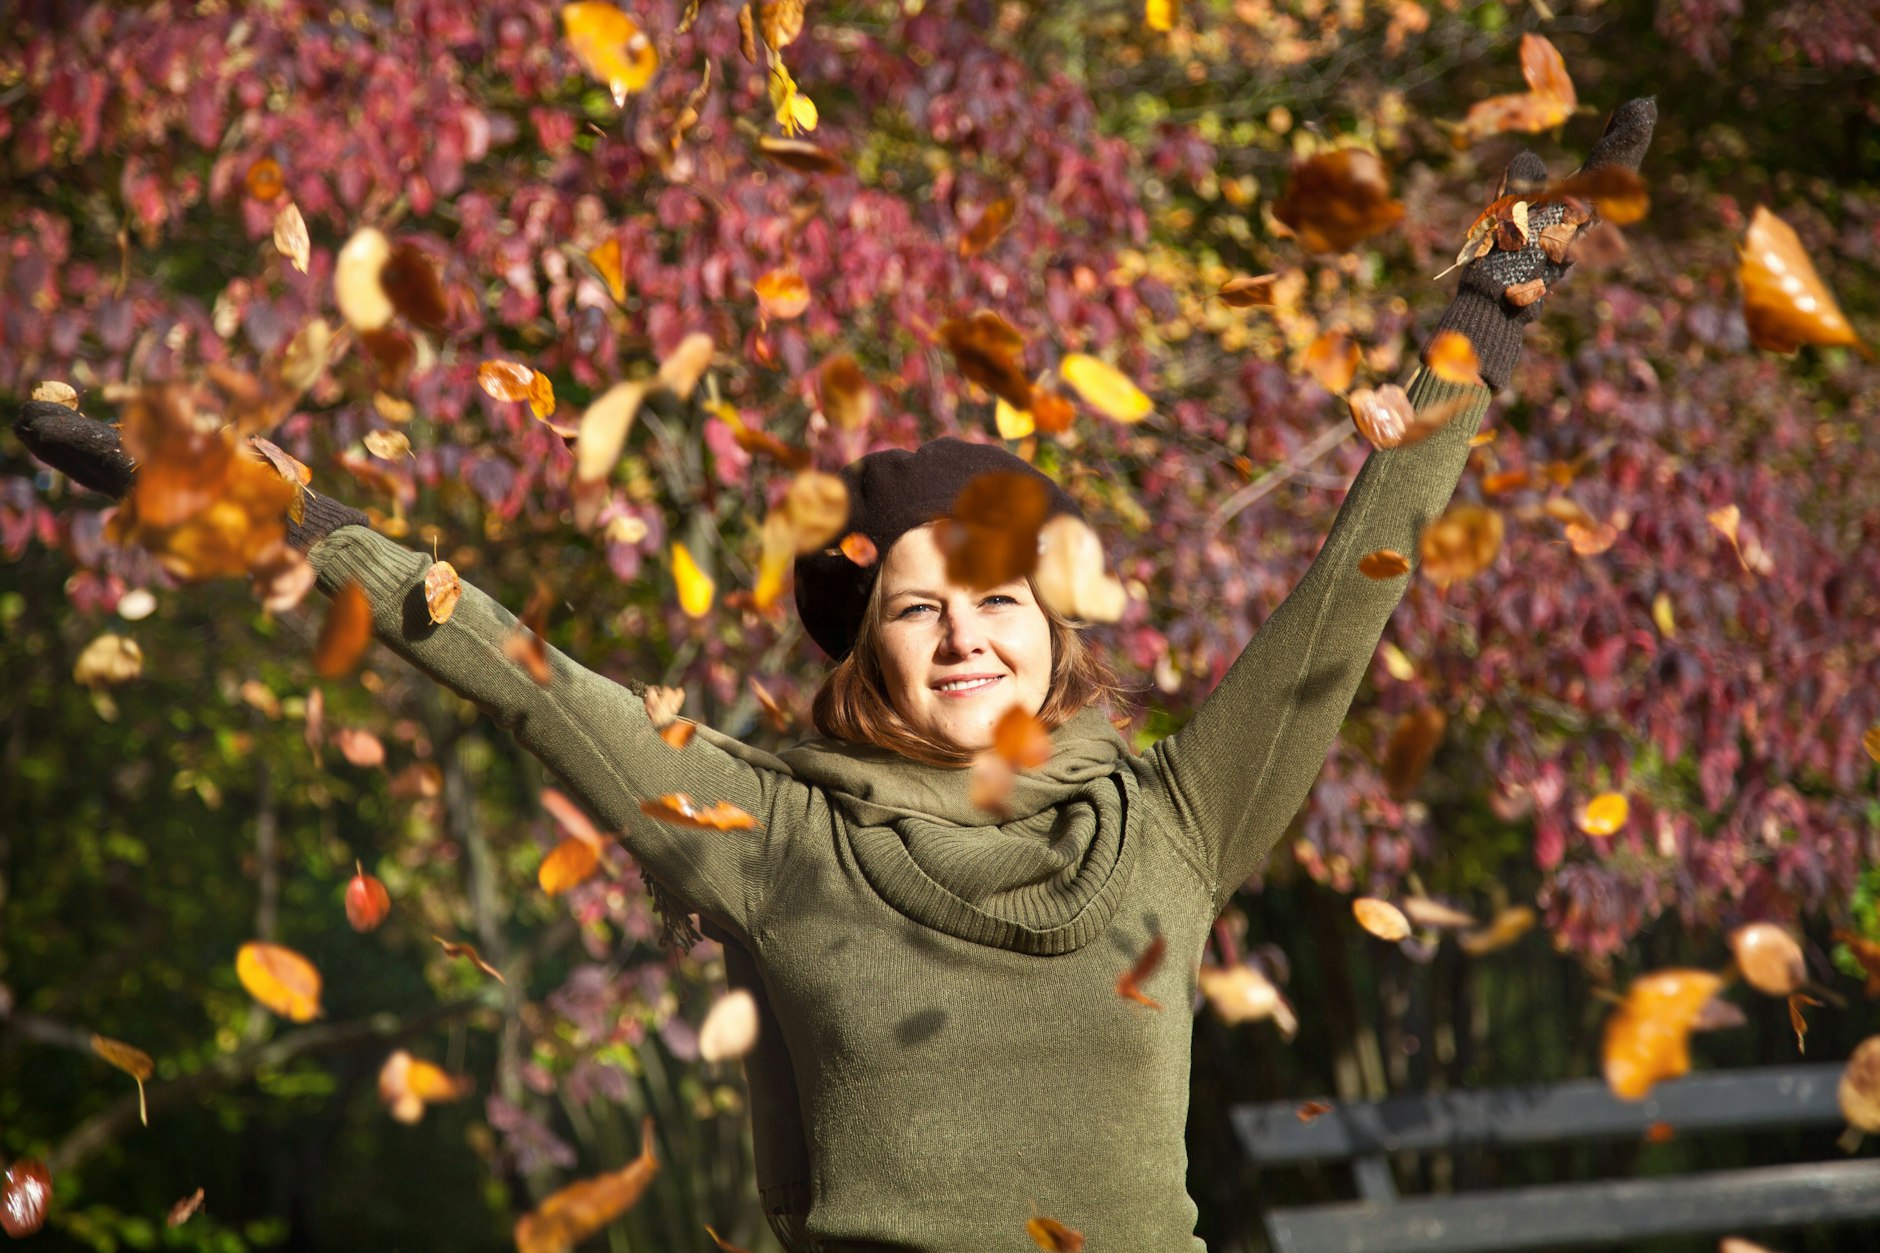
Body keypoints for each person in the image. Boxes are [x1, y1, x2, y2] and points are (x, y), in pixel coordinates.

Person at [16, 102, 1655, 1253]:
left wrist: (1465, 350)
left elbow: (1335, 628)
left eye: (1000, 598)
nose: (965, 634)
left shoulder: (1176, 816)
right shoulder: (770, 826)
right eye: (921, 607)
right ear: (862, 643)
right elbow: (522, 672)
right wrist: (264, 497)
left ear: (1056, 627)